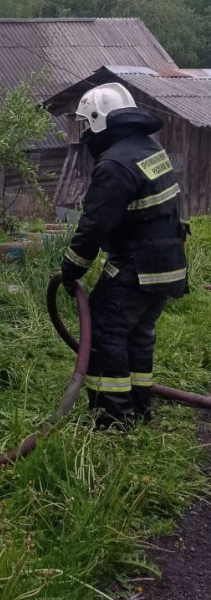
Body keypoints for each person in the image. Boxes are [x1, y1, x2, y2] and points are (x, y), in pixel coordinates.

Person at [59, 83, 189, 428]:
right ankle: (139, 406)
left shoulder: (115, 164)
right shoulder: (149, 148)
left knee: (104, 329)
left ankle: (113, 417)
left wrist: (71, 268)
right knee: (138, 333)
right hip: (168, 263)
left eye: (87, 125)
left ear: (99, 120)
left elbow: (94, 224)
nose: (86, 134)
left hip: (137, 265)